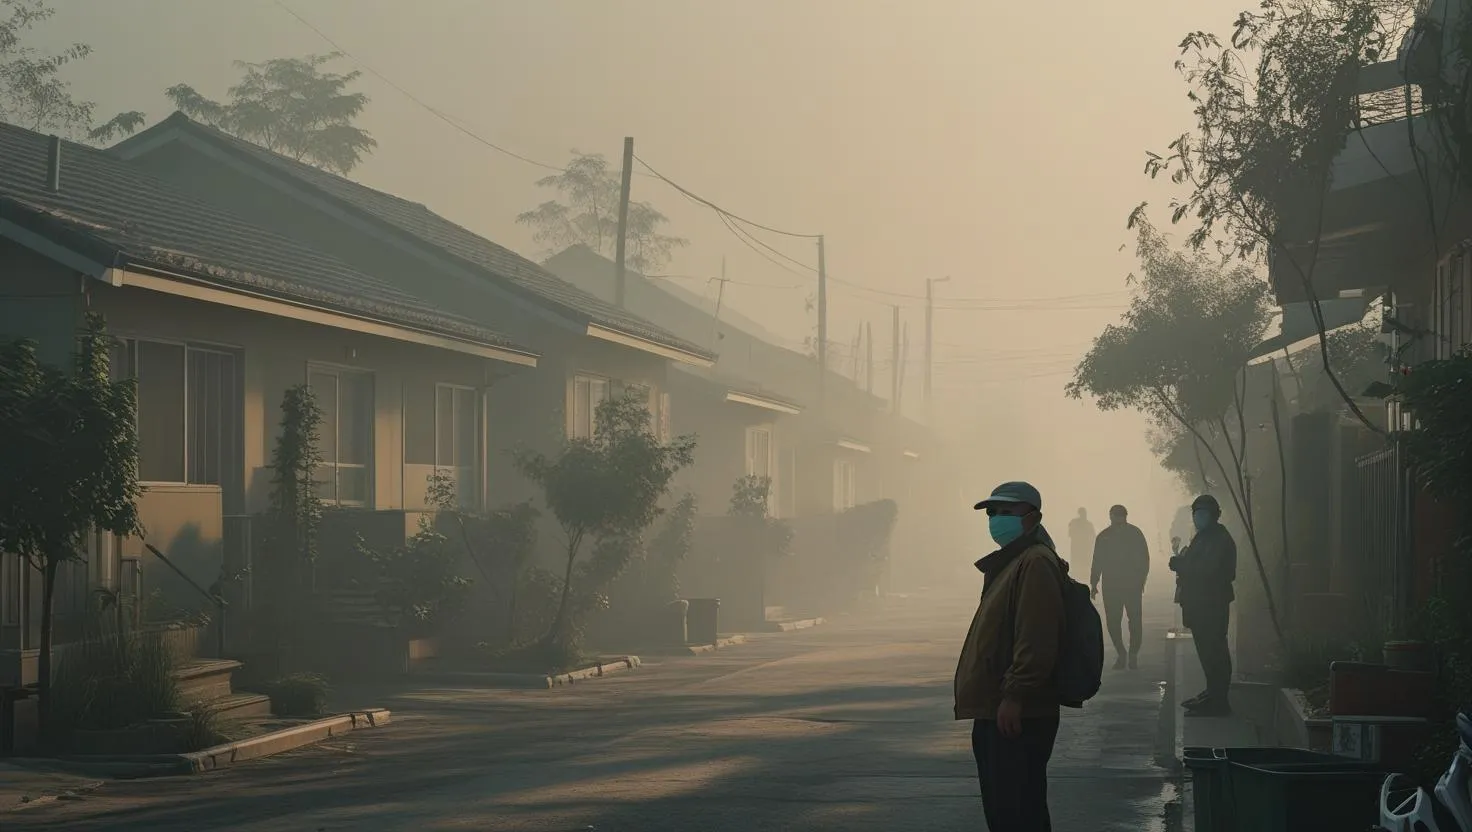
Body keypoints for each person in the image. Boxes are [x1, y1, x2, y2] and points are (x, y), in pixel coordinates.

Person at [955, 481, 1067, 832]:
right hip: (997, 706)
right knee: (1010, 809)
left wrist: (1015, 695)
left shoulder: (1034, 563)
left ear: (1033, 518)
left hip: (1016, 711)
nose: (996, 519)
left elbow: (1036, 637)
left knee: (1016, 812)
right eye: (992, 512)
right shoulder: (1014, 561)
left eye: (1007, 512)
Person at [1169, 494, 1237, 717]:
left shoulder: (1219, 539)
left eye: (1204, 514)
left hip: (1211, 605)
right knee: (1208, 654)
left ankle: (1219, 700)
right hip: (1201, 605)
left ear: (1214, 515)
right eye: (1196, 514)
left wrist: (1181, 565)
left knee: (1214, 652)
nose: (1199, 518)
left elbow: (1208, 571)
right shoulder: (1205, 537)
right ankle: (1213, 693)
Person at [1089, 504, 1150, 671]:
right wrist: (1094, 583)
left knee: (1135, 621)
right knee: (1113, 622)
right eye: (1115, 516)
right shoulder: (1104, 537)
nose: (1117, 519)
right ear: (1110, 517)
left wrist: (1141, 579)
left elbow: (1144, 559)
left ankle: (1133, 653)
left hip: (1132, 586)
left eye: (1120, 516)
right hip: (1112, 586)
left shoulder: (1135, 534)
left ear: (1125, 517)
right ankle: (1122, 652)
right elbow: (1097, 561)